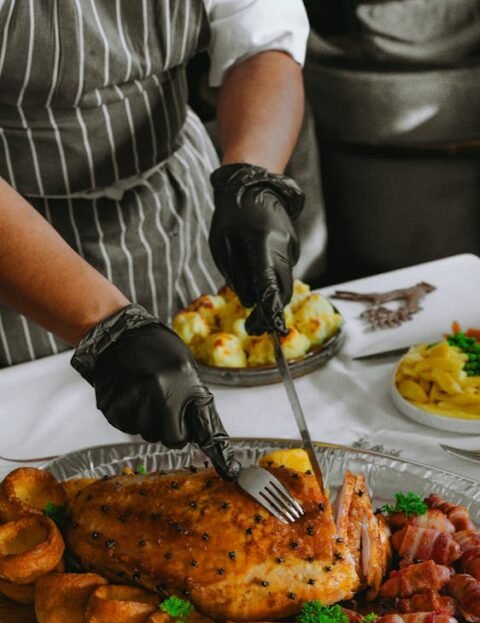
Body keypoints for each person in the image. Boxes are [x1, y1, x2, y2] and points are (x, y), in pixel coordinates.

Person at [0, 0, 309, 455]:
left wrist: (252, 178)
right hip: (20, 251)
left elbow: (260, 41)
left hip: (176, 208)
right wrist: (104, 327)